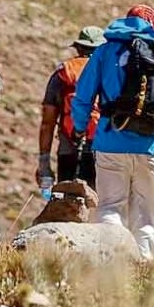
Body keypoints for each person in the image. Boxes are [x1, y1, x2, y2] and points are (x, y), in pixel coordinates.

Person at [70, 5, 154, 260]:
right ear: (153, 26)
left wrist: (80, 127)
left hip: (109, 142)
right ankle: (143, 270)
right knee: (147, 216)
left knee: (110, 207)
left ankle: (112, 264)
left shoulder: (104, 52)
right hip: (151, 146)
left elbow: (82, 97)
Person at [39, 26, 104, 192]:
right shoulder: (108, 73)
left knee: (66, 201)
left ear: (78, 47)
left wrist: (44, 162)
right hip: (102, 149)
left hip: (68, 146)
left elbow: (48, 122)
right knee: (99, 205)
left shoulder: (63, 74)